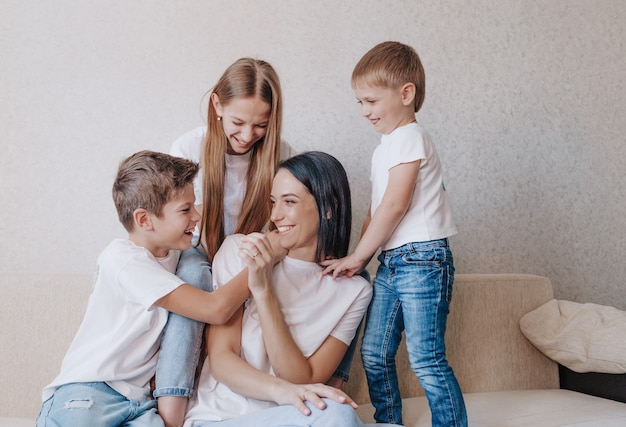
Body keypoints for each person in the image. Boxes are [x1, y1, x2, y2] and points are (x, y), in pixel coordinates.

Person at [36, 151, 252, 427]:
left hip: (138, 404)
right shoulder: (123, 261)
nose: (197, 215)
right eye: (185, 209)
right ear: (144, 220)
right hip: (90, 391)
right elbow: (216, 309)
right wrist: (265, 262)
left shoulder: (178, 256)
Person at [183, 152, 397, 427]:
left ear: (328, 207)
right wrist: (282, 392)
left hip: (295, 418)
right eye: (274, 202)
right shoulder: (240, 249)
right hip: (221, 417)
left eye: (290, 202)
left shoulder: (353, 290)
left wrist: (263, 292)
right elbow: (222, 361)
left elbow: (303, 378)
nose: (275, 215)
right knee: (339, 416)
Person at [322, 41, 468, 427]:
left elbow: (395, 206)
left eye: (371, 101)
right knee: (374, 353)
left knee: (426, 358)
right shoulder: (383, 147)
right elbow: (375, 212)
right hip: (393, 262)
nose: (365, 111)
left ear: (406, 94)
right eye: (360, 103)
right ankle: (389, 422)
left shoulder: (412, 136)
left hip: (423, 259)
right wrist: (357, 259)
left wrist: (357, 258)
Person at [155, 57, 296, 426]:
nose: (248, 135)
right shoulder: (188, 147)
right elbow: (176, 225)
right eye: (238, 122)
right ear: (217, 105)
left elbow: (286, 222)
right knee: (195, 280)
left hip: (250, 253)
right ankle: (172, 406)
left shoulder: (282, 154)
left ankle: (297, 392)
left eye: (260, 125)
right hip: (199, 252)